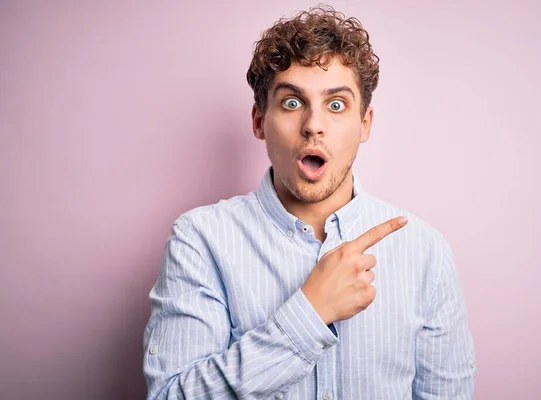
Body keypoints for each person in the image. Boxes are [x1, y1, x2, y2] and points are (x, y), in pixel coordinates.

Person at [143, 5, 475, 399]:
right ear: (259, 121)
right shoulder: (200, 241)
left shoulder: (425, 252)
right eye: (291, 102)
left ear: (365, 123)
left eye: (336, 104)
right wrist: (310, 313)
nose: (313, 124)